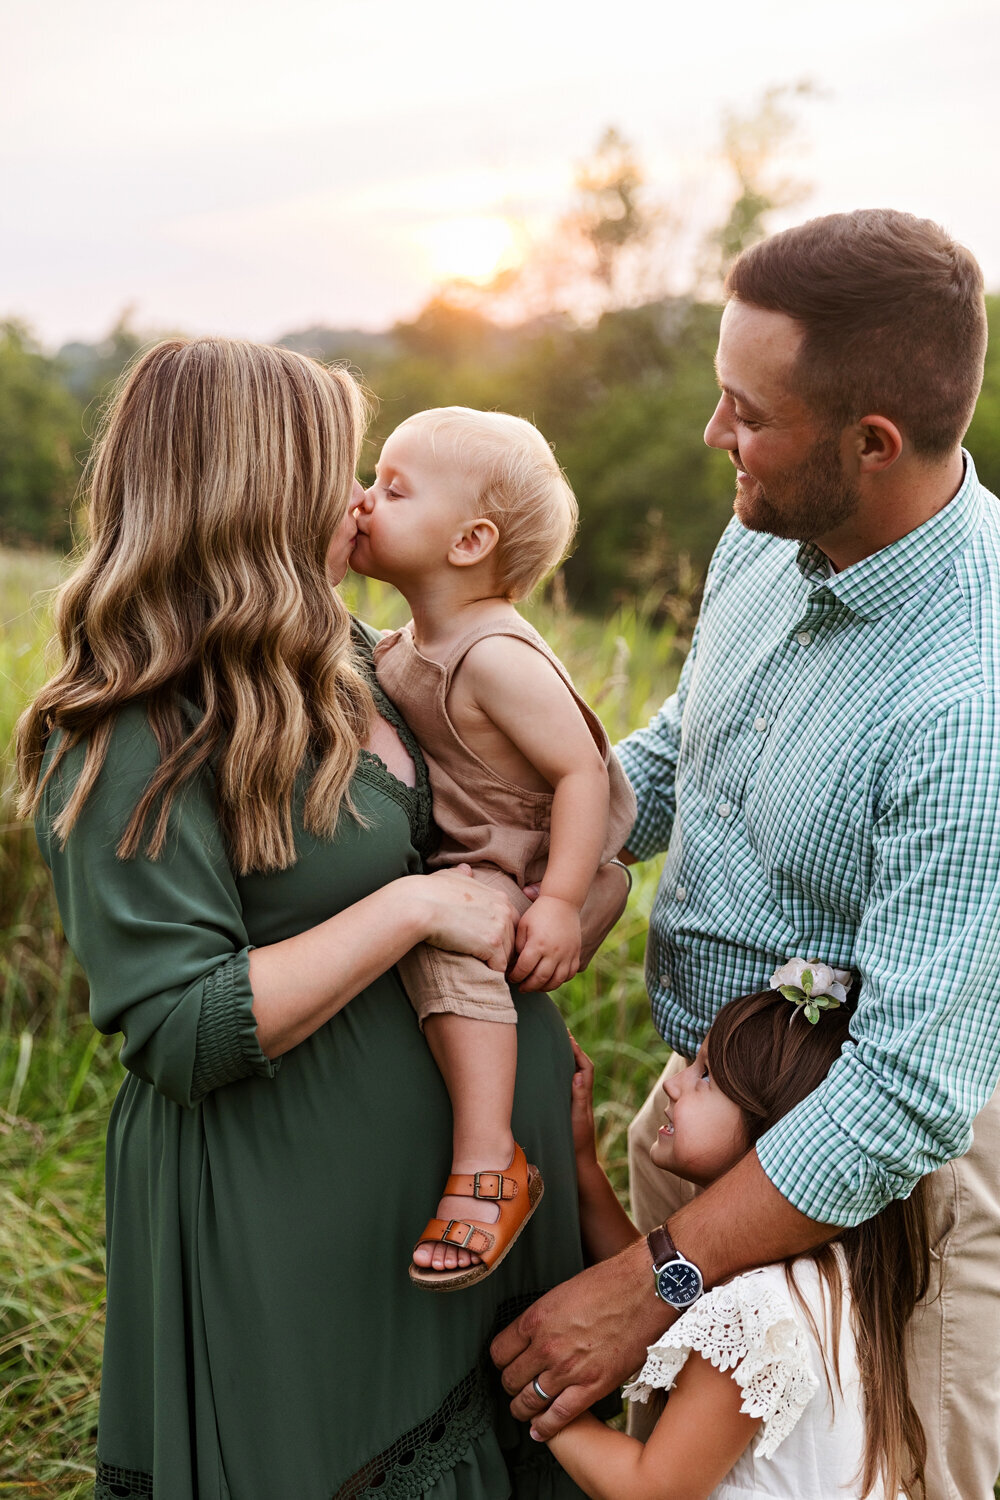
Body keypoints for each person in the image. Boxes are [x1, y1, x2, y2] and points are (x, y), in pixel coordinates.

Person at [16, 338, 621, 1500]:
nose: (358, 499)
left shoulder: (350, 657)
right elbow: (183, 1033)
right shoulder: (134, 730)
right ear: (255, 490)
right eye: (340, 470)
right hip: (302, 1235)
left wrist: (571, 900)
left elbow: (529, 808)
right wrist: (413, 906)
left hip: (476, 1213)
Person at [491, 210, 1000, 1500]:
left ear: (870, 443)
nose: (714, 434)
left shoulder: (970, 693)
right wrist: (532, 850)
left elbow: (903, 1094)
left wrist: (653, 1273)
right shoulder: (769, 532)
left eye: (745, 410)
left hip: (898, 1210)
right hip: (722, 1116)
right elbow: (684, 750)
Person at [351, 406, 635, 1289]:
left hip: (536, 868)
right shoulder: (404, 645)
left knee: (452, 945)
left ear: (470, 540)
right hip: (486, 862)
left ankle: (491, 1159)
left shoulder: (496, 655)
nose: (363, 500)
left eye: (392, 490)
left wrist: (556, 900)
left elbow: (583, 774)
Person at [545, 966, 929, 1500]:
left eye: (705, 1076)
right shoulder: (818, 1268)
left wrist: (543, 1405)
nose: (675, 1084)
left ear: (775, 1129)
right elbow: (656, 1302)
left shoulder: (755, 1309)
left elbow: (651, 1489)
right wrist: (584, 1164)